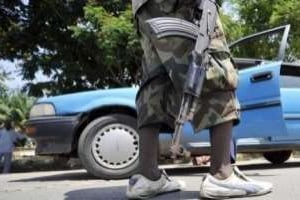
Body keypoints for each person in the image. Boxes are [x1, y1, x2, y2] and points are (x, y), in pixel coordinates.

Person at [127, 0, 273, 199]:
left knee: (156, 83)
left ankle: (147, 176)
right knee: (213, 67)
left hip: (144, 7)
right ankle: (221, 176)